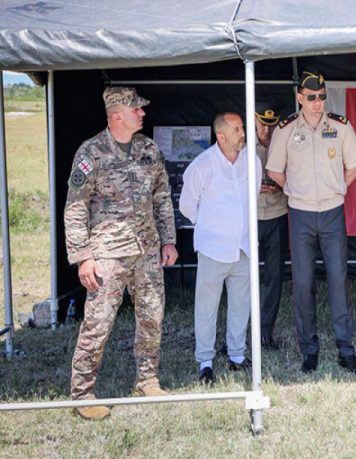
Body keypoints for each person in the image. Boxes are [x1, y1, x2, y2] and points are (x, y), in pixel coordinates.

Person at [63, 86, 177, 421]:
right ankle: (82, 393)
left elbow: (161, 197)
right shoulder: (91, 152)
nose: (142, 113)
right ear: (116, 115)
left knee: (152, 316)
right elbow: (75, 208)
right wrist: (83, 256)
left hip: (146, 250)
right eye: (136, 109)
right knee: (98, 323)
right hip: (108, 254)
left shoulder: (149, 150)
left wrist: (168, 241)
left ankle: (146, 378)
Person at [266, 71, 356, 373]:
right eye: (311, 97)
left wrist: (338, 187)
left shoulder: (340, 127)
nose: (317, 102)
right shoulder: (285, 131)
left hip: (333, 212)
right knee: (303, 283)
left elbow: (355, 166)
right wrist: (296, 192)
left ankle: (345, 349)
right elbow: (274, 171)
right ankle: (309, 349)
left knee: (338, 280)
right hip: (300, 215)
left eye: (322, 96)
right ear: (300, 98)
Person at [179, 112, 261, 385]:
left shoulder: (252, 161)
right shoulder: (203, 165)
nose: (243, 134)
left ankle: (237, 355)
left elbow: (255, 192)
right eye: (237, 129)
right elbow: (187, 206)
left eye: (242, 128)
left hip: (244, 246)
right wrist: (211, 227)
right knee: (207, 306)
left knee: (241, 303)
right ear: (221, 136)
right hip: (213, 249)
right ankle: (205, 360)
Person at [255, 104, 290, 347]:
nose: (267, 129)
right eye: (262, 124)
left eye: (271, 124)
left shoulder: (284, 142)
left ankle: (265, 332)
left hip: (277, 214)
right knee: (242, 276)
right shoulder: (244, 146)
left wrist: (282, 184)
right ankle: (238, 333)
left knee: (274, 276)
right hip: (251, 215)